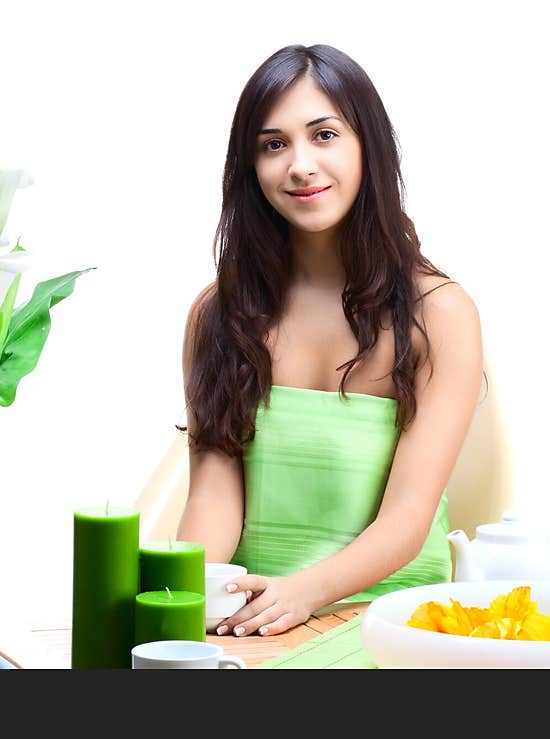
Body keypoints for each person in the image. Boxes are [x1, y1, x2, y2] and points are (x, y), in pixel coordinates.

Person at [176, 43, 484, 638]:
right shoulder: (217, 316)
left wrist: (303, 593)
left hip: (396, 622)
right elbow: (212, 499)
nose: (300, 165)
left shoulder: (439, 313)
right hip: (256, 619)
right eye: (273, 144)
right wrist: (187, 600)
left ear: (368, 143)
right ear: (250, 167)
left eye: (324, 135)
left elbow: (407, 519)